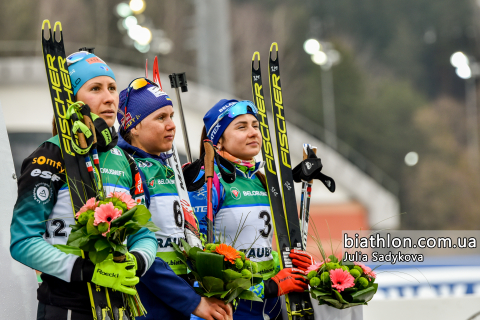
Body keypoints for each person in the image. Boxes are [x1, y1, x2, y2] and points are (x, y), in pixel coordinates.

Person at [10, 51, 157, 320]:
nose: (109, 97)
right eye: (95, 88)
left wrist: (135, 262)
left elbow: (144, 233)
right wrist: (88, 270)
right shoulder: (49, 156)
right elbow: (23, 241)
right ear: (71, 98)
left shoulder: (124, 160)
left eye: (112, 88)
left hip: (119, 305)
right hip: (66, 305)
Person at [116, 77, 232, 320]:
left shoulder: (167, 166)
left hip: (177, 302)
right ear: (133, 125)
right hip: (149, 304)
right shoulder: (128, 167)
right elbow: (137, 251)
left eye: (171, 116)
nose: (171, 125)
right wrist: (193, 302)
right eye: (160, 118)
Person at [188, 99, 311, 320]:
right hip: (228, 307)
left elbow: (260, 248)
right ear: (218, 140)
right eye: (241, 127)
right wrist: (267, 287)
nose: (253, 132)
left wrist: (291, 264)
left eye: (255, 125)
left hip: (268, 305)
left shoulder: (261, 180)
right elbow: (196, 257)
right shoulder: (209, 180)